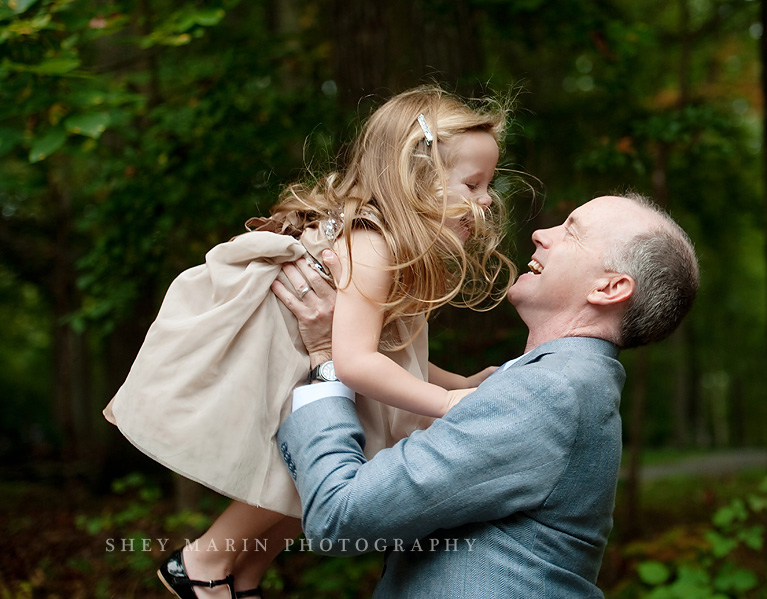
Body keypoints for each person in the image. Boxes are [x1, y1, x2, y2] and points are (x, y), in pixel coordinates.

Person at [103, 85, 518, 599]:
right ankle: (203, 559)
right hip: (282, 355)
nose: (485, 201)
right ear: (418, 179)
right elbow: (357, 362)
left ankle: (245, 575)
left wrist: (463, 382)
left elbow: (391, 357)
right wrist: (449, 402)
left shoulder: (392, 248)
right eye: (473, 184)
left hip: (313, 360)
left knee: (328, 466)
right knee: (319, 454)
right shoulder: (372, 243)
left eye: (488, 185)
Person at [272, 193, 700, 598]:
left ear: (608, 289)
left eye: (572, 230)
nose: (541, 234)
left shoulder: (549, 392)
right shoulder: (555, 383)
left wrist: (328, 363)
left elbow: (341, 517)